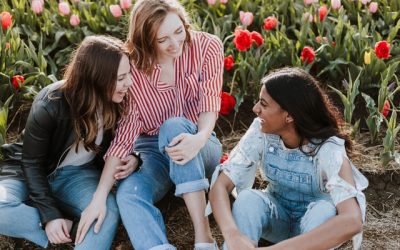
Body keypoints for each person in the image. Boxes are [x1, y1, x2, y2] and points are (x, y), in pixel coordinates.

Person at [77, 0, 224, 249]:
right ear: (145, 39)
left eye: (179, 31)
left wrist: (198, 139)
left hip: (200, 143)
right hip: (153, 150)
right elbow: (126, 134)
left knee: (174, 126)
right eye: (162, 39)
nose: (175, 44)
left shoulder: (207, 46)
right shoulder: (132, 67)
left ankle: (204, 237)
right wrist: (100, 196)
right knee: (129, 194)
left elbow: (210, 104)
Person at [0, 35, 137, 249]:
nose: (129, 82)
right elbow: (31, 163)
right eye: (121, 78)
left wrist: (135, 157)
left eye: (128, 74)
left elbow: (130, 137)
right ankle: (65, 227)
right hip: (27, 172)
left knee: (106, 212)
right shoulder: (51, 103)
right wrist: (49, 216)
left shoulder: (121, 101)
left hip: (76, 175)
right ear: (97, 78)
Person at [209, 67, 369, 250]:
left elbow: (352, 220)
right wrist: (233, 236)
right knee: (247, 199)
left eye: (264, 104)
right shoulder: (261, 132)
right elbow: (220, 186)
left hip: (315, 232)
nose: (255, 109)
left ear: (289, 115)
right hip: (278, 217)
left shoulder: (328, 148)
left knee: (324, 210)